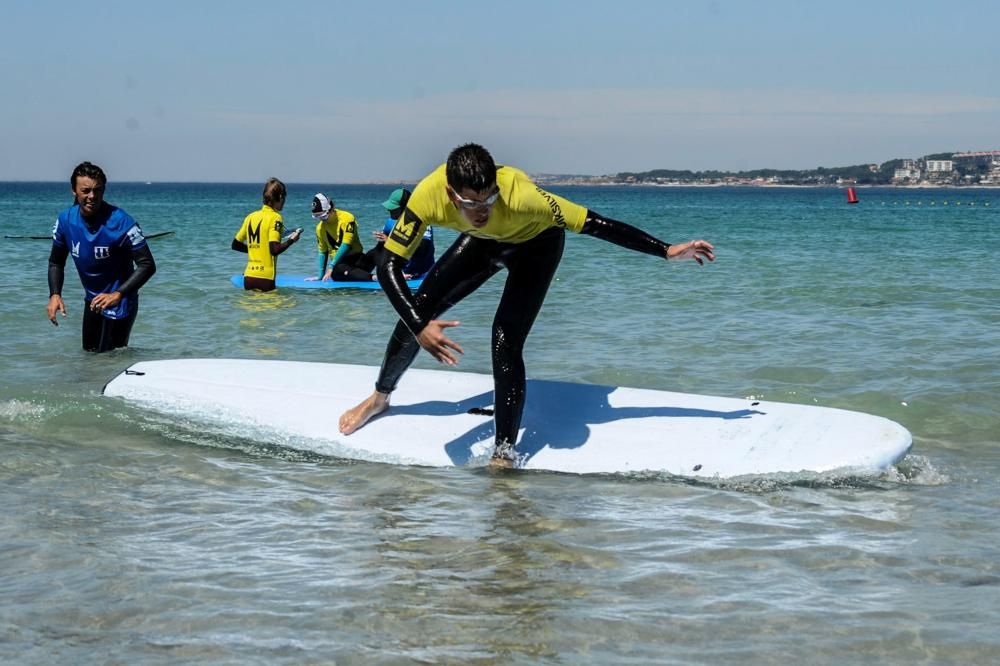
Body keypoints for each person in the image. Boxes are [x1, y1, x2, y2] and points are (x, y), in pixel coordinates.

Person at [339, 143, 715, 466]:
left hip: (538, 245)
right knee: (416, 312)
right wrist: (421, 326)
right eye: (473, 202)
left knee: (505, 338)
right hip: (482, 244)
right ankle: (379, 398)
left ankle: (504, 452)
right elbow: (389, 264)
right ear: (453, 196)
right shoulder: (427, 197)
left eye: (490, 197)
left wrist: (665, 250)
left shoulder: (523, 197)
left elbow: (596, 224)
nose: (484, 207)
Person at [46, 161, 157, 353]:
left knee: (112, 358)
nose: (92, 196)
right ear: (74, 190)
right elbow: (56, 262)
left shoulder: (121, 222)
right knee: (90, 357)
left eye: (97, 190)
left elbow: (147, 264)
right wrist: (55, 294)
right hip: (92, 301)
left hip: (120, 300)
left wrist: (118, 294)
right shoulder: (65, 220)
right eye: (86, 190)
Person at [232, 177, 302, 291]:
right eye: (285, 198)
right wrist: (292, 240)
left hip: (248, 277)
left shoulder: (250, 217)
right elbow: (274, 250)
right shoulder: (276, 217)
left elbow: (235, 245)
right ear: (280, 197)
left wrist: (256, 250)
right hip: (265, 279)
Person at [305, 193, 375, 282]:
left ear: (331, 209)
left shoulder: (347, 218)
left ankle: (391, 274)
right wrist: (320, 275)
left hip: (358, 260)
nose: (322, 220)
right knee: (336, 272)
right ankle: (374, 278)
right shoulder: (320, 228)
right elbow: (322, 252)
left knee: (378, 250)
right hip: (340, 265)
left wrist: (331, 266)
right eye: (318, 217)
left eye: (323, 216)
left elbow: (346, 244)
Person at [371, 188, 435, 280]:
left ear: (406, 207)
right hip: (403, 275)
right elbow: (380, 251)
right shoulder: (390, 223)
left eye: (393, 208)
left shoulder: (422, 222)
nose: (389, 210)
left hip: (423, 276)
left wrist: (391, 241)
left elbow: (422, 250)